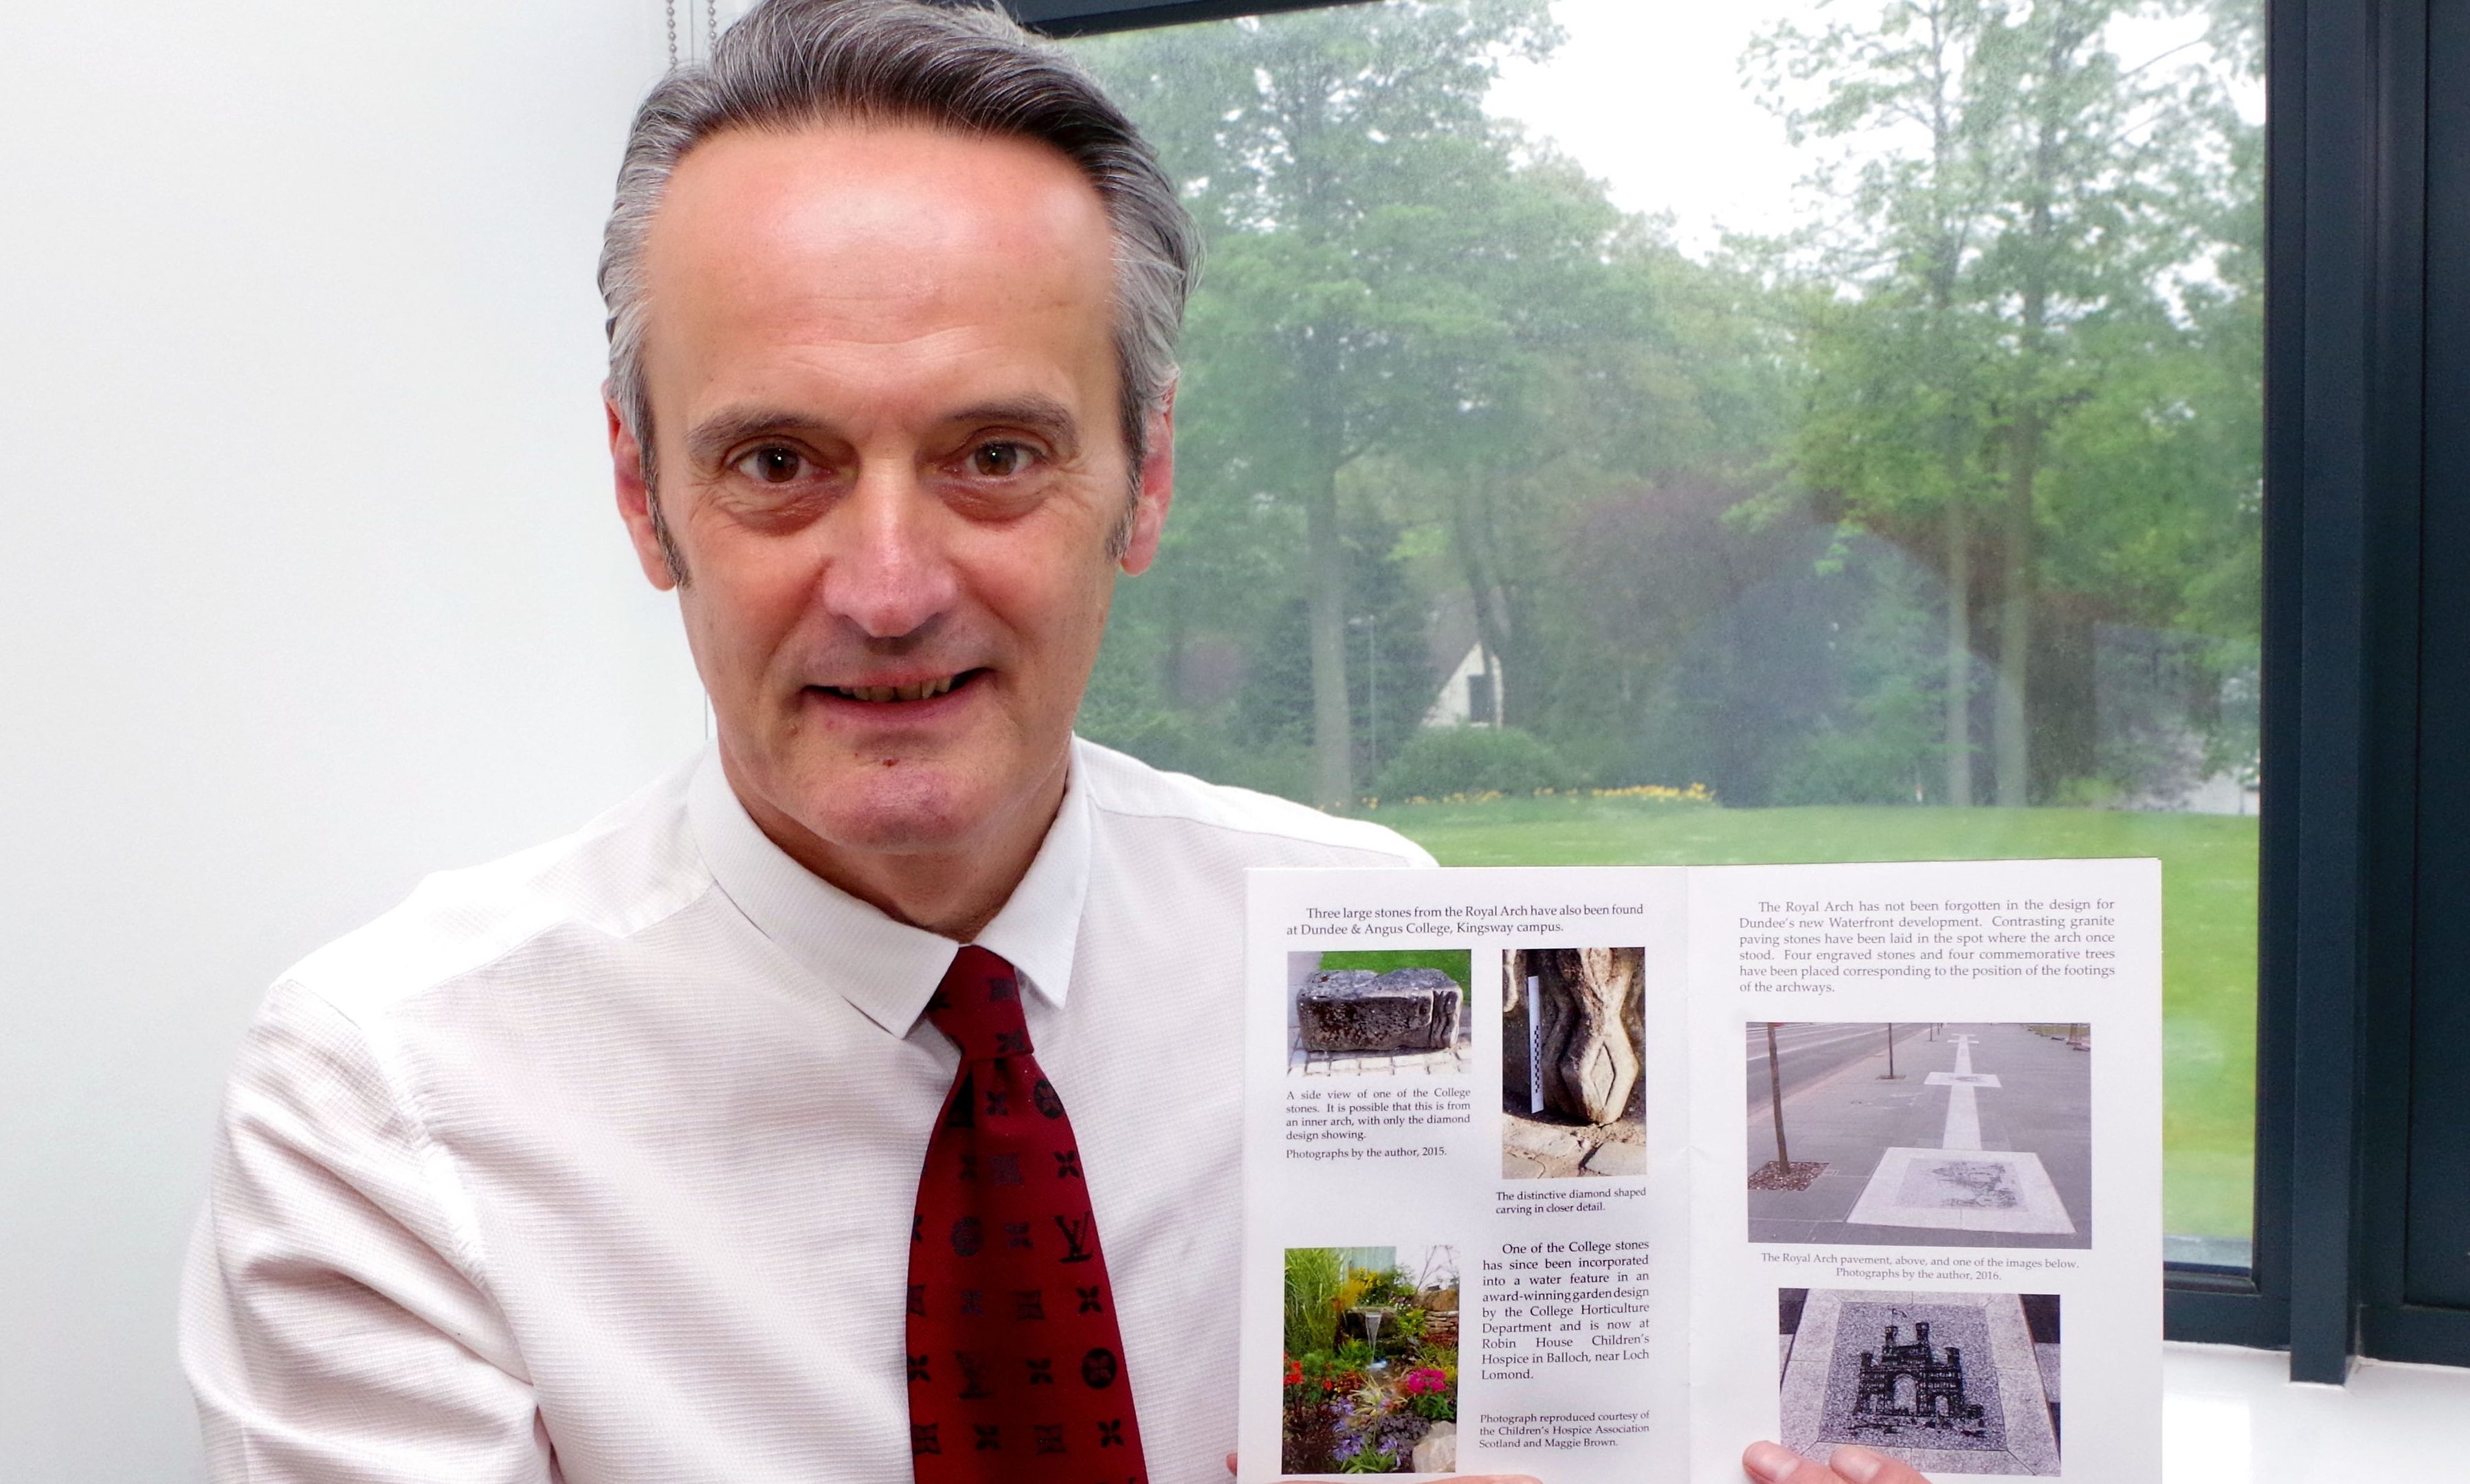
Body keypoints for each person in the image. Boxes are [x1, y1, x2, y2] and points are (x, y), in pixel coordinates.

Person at [177, 4, 1928, 1483]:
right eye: (776, 461)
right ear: (646, 497)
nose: (886, 586)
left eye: (994, 455)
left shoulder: (1374, 941)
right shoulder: (391, 1107)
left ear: (1144, 479)